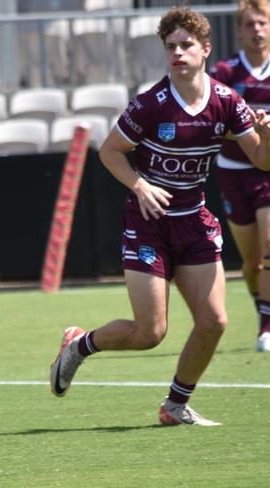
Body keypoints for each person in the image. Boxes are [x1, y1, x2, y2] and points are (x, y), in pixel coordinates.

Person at [49, 6, 270, 426]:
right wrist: (139, 185)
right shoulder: (151, 104)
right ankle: (80, 345)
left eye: (187, 45)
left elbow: (262, 160)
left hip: (194, 221)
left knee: (214, 322)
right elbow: (109, 151)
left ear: (206, 49)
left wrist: (268, 134)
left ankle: (174, 406)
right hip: (147, 223)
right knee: (151, 333)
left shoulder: (226, 101)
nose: (178, 52)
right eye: (171, 46)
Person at [209, 0, 270, 352]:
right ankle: (259, 298)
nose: (257, 30)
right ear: (239, 30)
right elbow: (214, 122)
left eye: (262, 23)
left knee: (269, 244)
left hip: (269, 170)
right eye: (250, 24)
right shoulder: (225, 72)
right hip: (234, 172)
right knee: (252, 262)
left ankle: (266, 325)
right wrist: (247, 130)